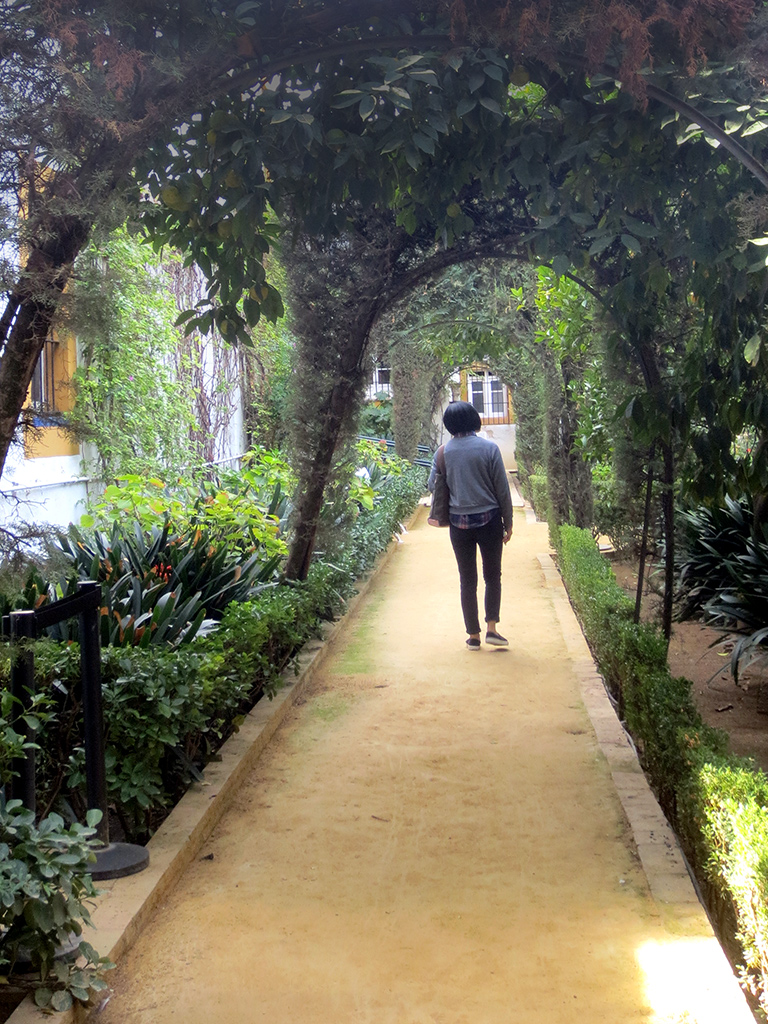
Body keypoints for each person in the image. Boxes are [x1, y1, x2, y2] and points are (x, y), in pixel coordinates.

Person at [428, 401, 514, 651]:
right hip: (490, 522)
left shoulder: (442, 452)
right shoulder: (489, 448)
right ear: (474, 420)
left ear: (449, 425)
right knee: (492, 576)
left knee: (467, 579)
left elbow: (432, 485)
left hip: (458, 524)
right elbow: (502, 490)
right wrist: (508, 522)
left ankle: (473, 636)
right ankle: (492, 629)